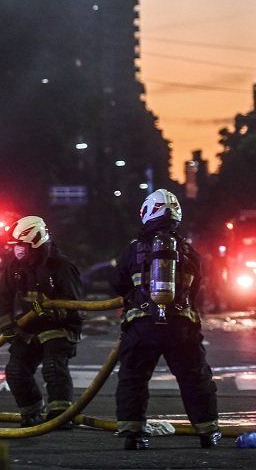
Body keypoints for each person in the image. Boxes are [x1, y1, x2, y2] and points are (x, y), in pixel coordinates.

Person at [111, 189, 220, 450]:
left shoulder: (133, 250)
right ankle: (207, 432)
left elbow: (117, 284)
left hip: (142, 327)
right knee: (195, 379)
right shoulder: (189, 252)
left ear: (146, 214)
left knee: (133, 378)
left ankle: (133, 435)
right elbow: (196, 291)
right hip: (181, 328)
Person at [0, 215, 83, 428]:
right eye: (15, 245)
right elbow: (3, 298)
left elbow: (74, 304)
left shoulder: (61, 266)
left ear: (36, 241)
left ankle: (60, 414)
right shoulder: (15, 266)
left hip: (60, 328)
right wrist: (8, 327)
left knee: (53, 367)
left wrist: (51, 310)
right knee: (15, 370)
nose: (17, 249)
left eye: (21, 245)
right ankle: (31, 412)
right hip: (30, 328)